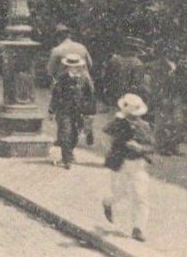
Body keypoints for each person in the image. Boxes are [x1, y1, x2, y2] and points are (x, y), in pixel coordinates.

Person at [102, 93, 154, 242]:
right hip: (120, 163)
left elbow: (152, 147)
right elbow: (106, 138)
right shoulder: (117, 123)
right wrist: (114, 149)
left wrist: (140, 148)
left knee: (141, 196)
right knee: (120, 193)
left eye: (135, 116)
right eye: (130, 115)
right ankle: (107, 203)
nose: (133, 118)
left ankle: (138, 228)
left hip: (138, 164)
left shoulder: (145, 126)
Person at [49, 52, 94, 169]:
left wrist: (90, 113)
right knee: (65, 133)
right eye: (71, 66)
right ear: (67, 66)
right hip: (63, 110)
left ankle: (69, 152)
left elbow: (90, 96)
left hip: (79, 111)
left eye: (76, 66)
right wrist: (51, 110)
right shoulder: (62, 78)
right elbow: (56, 95)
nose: (74, 68)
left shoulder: (85, 78)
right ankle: (66, 159)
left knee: (75, 134)